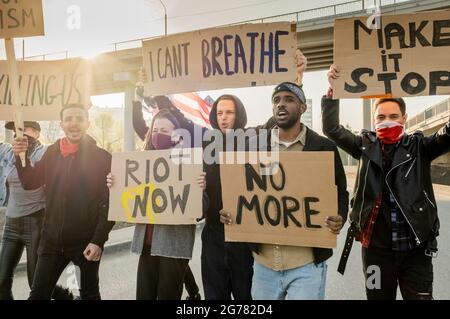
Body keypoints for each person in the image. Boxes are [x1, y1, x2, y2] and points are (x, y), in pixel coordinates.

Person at [322, 65, 450, 300]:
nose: (387, 121)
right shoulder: (363, 145)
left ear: (404, 118)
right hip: (374, 252)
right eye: (381, 117)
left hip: (416, 251)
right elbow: (332, 129)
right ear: (373, 120)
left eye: (393, 117)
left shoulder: (421, 147)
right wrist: (332, 93)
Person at [220, 81, 349, 300]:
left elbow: (341, 193)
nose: (281, 104)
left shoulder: (323, 147)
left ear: (302, 107)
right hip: (264, 266)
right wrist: (232, 212)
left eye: (289, 99)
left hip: (306, 266)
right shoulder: (254, 146)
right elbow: (245, 192)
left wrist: (340, 217)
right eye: (276, 100)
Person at [11, 104, 114, 300]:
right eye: (68, 119)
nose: (73, 123)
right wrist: (20, 156)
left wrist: (98, 240)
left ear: (87, 123)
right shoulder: (52, 152)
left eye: (79, 118)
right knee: (38, 295)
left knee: (89, 295)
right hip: (51, 242)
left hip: (86, 243)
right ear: (61, 124)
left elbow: (109, 204)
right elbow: (29, 182)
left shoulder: (103, 158)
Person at [110, 101, 208, 300]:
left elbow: (201, 211)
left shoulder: (188, 161)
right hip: (147, 244)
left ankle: (194, 293)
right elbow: (127, 199)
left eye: (164, 129)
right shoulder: (141, 164)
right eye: (155, 129)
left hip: (174, 245)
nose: (158, 133)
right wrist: (115, 182)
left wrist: (200, 190)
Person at [0, 121, 74, 300]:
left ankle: (66, 297)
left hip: (36, 222)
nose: (20, 133)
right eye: (16, 130)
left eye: (25, 129)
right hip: (11, 223)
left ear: (37, 133)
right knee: (1, 282)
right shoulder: (6, 152)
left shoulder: (45, 154)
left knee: (36, 282)